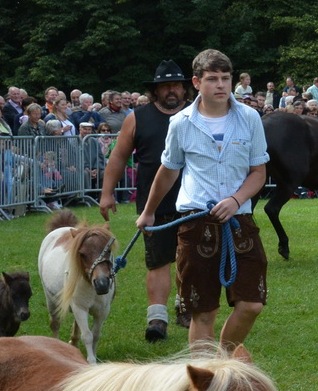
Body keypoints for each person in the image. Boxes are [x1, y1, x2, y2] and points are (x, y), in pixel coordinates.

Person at [135, 50, 269, 351]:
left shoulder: (249, 118)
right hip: (196, 223)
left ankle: (223, 357)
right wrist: (149, 213)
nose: (220, 85)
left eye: (225, 78)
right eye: (212, 79)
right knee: (203, 310)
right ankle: (206, 382)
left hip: (239, 221)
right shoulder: (181, 123)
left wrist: (235, 200)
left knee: (251, 304)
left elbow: (258, 173)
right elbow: (168, 171)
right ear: (197, 82)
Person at [101, 60, 190, 340]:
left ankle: (185, 304)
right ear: (155, 90)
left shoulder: (196, 114)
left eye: (176, 85)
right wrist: (106, 193)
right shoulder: (137, 117)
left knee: (190, 259)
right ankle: (157, 319)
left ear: (185, 88)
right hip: (154, 203)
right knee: (158, 261)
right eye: (165, 86)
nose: (171, 90)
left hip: (195, 200)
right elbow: (118, 156)